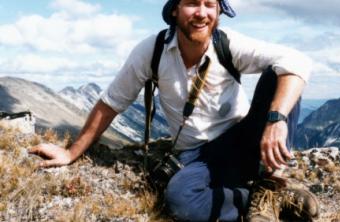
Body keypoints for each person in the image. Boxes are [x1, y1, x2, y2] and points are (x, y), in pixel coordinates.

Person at [30, 0, 319, 221]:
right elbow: (111, 102)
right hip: (197, 154)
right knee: (181, 201)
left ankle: (271, 184)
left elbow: (298, 61)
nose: (202, 13)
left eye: (210, 4)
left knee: (281, 73)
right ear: (174, 11)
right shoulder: (152, 50)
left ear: (219, 13)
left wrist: (276, 119)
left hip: (242, 139)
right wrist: (70, 153)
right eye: (192, 2)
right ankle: (263, 199)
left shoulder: (228, 44)